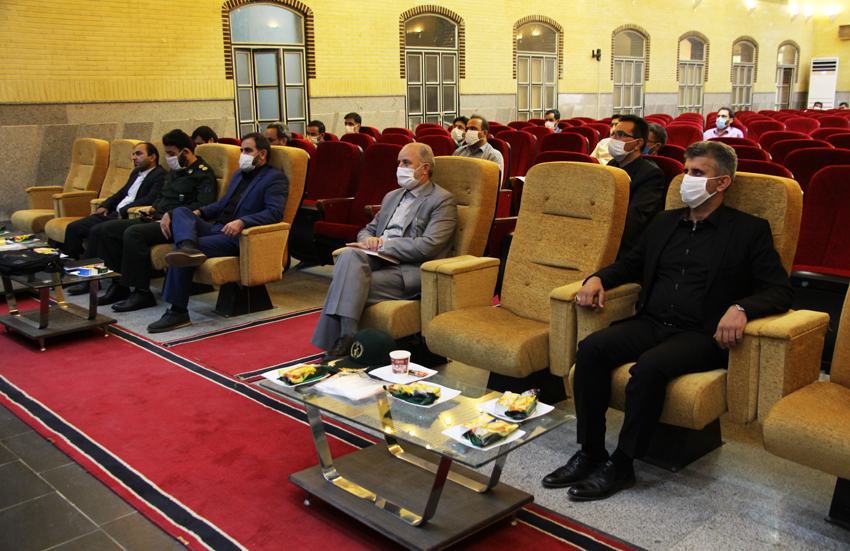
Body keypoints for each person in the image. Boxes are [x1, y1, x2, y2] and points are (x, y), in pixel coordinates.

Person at [542, 141, 793, 501]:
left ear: (722, 182)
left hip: (701, 333)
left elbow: (780, 291)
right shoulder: (664, 222)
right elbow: (630, 264)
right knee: (592, 348)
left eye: (697, 173)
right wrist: (597, 278)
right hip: (652, 322)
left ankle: (622, 463)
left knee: (649, 368)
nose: (686, 179)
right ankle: (591, 451)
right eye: (686, 171)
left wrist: (742, 308)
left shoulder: (749, 230)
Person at [311, 143, 458, 356]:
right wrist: (369, 240)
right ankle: (349, 337)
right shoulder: (392, 196)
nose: (399, 167)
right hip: (379, 258)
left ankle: (345, 339)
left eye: (406, 163)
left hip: (410, 268)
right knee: (349, 254)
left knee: (345, 283)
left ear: (425, 168)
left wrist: (384, 245)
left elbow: (429, 245)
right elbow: (367, 230)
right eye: (398, 162)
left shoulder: (442, 200)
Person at [148, 133, 289, 333]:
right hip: (217, 228)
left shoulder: (274, 178)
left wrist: (242, 222)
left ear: (262, 154)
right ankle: (188, 247)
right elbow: (223, 204)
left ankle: (178, 312)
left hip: (240, 237)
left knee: (179, 251)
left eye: (248, 150)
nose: (242, 154)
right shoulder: (239, 174)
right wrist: (198, 212)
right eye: (241, 150)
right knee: (180, 212)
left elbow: (274, 213)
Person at [96, 129, 217, 312]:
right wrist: (153, 208)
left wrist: (171, 214)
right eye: (167, 153)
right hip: (157, 219)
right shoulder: (176, 171)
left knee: (134, 233)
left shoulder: (202, 173)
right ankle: (119, 285)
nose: (168, 158)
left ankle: (142, 293)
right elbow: (164, 195)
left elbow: (203, 206)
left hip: (178, 226)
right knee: (108, 229)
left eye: (171, 154)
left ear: (186, 151)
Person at [63, 143, 167, 293]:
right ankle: (69, 273)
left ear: (152, 157)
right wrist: (105, 205)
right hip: (113, 213)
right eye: (133, 154)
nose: (134, 158)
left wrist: (124, 210)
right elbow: (121, 193)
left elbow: (151, 198)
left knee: (96, 231)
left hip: (127, 217)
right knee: (74, 227)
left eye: (138, 154)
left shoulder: (159, 175)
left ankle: (89, 280)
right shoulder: (135, 173)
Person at [606, 114, 665, 258]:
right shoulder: (612, 165)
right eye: (613, 134)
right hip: (602, 234)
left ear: (638, 143)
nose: (613, 139)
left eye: (620, 135)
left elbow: (633, 221)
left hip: (628, 246)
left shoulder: (651, 174)